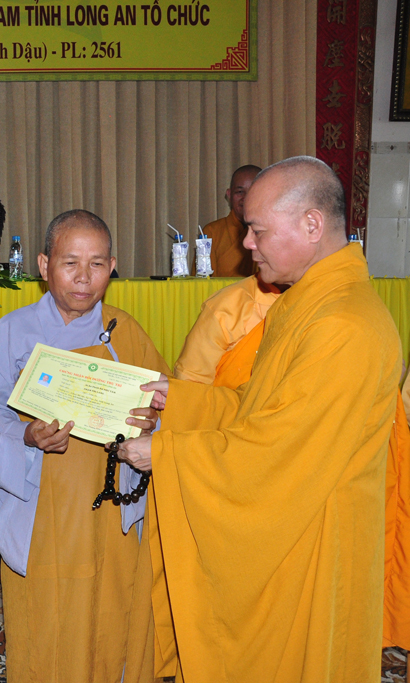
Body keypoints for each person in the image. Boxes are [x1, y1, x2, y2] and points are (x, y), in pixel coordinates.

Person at [117, 157, 403, 681]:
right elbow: (261, 405)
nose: (247, 243)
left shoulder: (344, 324)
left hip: (311, 536)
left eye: (258, 230)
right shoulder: (309, 304)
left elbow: (282, 449)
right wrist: (180, 401)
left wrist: (169, 454)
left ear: (312, 225)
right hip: (292, 523)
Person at [0, 209, 167, 683]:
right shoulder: (13, 331)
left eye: (96, 264)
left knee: (111, 611)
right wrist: (25, 435)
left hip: (110, 508)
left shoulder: (125, 332)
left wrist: (151, 422)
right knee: (47, 619)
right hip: (41, 506)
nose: (83, 277)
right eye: (69, 262)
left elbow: (163, 409)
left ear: (112, 267)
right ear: (43, 265)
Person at [203, 164, 261, 277]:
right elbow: (203, 283)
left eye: (253, 191)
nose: (246, 198)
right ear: (229, 195)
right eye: (240, 192)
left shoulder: (274, 231)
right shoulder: (212, 232)